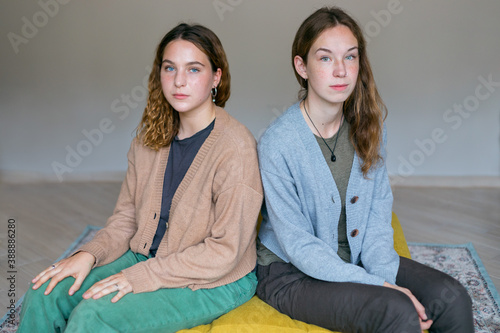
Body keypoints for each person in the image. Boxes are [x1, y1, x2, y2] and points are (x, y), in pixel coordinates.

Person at [18, 23, 263, 333]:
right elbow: (125, 220)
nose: (179, 81)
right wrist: (88, 255)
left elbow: (224, 252)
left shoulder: (236, 146)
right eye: (170, 68)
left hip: (214, 278)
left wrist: (138, 278)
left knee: (94, 315)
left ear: (216, 77)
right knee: (46, 294)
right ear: (158, 74)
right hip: (145, 255)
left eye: (194, 69)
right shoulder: (150, 138)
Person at [256, 6, 473, 333]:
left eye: (351, 57)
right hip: (290, 272)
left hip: (352, 257)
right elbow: (298, 244)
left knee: (453, 297)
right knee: (395, 310)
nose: (341, 70)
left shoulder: (369, 127)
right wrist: (379, 286)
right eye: (326, 58)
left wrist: (383, 273)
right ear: (302, 66)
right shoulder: (277, 142)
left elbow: (376, 212)